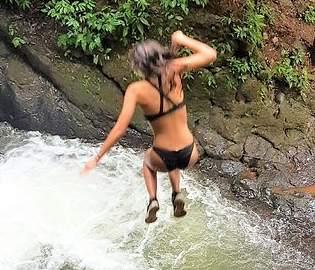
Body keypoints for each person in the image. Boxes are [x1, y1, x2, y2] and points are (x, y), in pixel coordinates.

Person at [81, 31, 217, 223]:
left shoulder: (136, 90)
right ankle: (176, 193)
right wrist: (182, 40)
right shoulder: (174, 69)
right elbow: (210, 54)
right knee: (174, 162)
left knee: (148, 160)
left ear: (138, 66)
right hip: (190, 153)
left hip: (162, 156)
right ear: (159, 55)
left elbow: (120, 129)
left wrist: (96, 158)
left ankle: (153, 200)